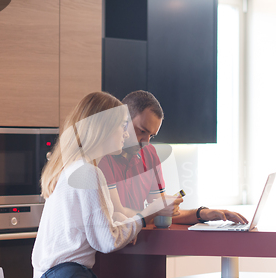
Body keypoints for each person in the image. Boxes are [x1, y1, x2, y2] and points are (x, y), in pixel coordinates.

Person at [31, 92, 189, 278]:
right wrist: (143, 217)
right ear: (102, 129)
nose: (127, 135)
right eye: (122, 127)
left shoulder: (82, 168)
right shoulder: (87, 173)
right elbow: (106, 240)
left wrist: (130, 222)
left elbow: (110, 223)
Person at [98, 90, 248, 225]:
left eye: (151, 135)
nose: (146, 142)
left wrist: (202, 213)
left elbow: (161, 213)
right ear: (123, 121)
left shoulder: (149, 154)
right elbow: (117, 215)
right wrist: (155, 210)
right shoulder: (103, 158)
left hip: (144, 245)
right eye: (142, 131)